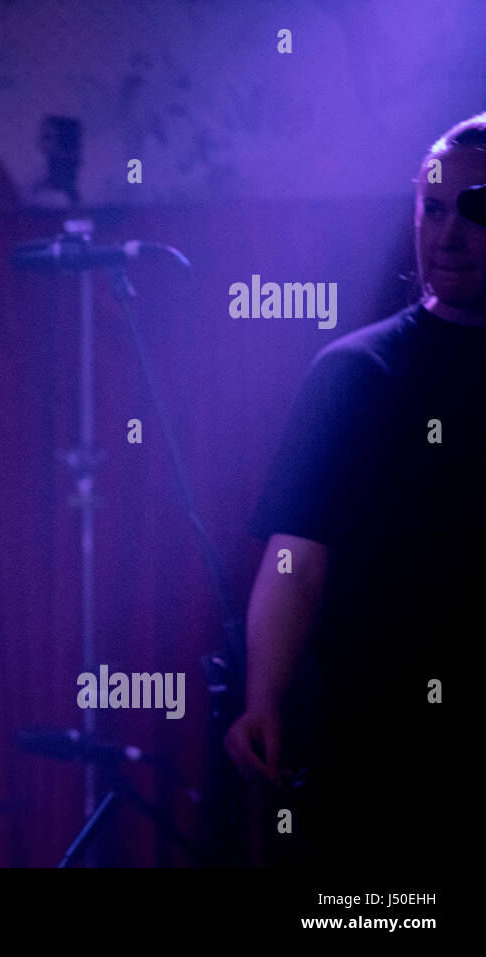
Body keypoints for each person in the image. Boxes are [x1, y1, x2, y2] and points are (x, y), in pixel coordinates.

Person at [225, 112, 486, 873]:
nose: (447, 235)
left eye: (475, 210)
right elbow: (295, 557)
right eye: (432, 209)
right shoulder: (356, 372)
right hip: (382, 738)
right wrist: (263, 693)